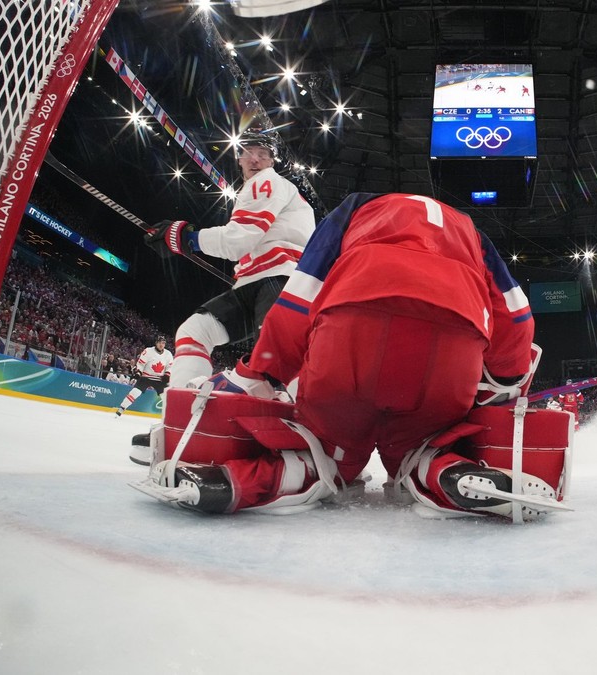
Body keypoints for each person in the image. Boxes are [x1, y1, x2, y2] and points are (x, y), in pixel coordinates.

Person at [134, 193, 567, 520]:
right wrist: (503, 386)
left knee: (326, 456)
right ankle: (443, 472)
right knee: (418, 452)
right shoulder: (472, 231)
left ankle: (230, 482)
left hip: (352, 326)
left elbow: (299, 298)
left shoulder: (352, 209)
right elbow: (517, 318)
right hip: (453, 339)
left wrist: (260, 369)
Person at [144, 130, 316, 389]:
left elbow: (239, 240)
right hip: (257, 284)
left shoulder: (268, 182)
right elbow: (248, 243)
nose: (255, 159)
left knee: (275, 368)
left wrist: (189, 239)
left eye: (263, 154)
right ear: (239, 159)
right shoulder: (259, 190)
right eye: (248, 153)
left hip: (280, 280)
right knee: (195, 331)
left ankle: (291, 422)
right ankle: (183, 408)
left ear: (272, 162)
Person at [114, 336, 173, 417]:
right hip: (146, 377)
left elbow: (170, 366)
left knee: (166, 397)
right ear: (156, 343)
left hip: (160, 379)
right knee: (135, 392)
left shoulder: (168, 354)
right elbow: (141, 364)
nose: (161, 345)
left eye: (163, 343)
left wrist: (167, 374)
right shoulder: (148, 351)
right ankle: (121, 408)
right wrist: (138, 372)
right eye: (159, 342)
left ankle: (171, 416)